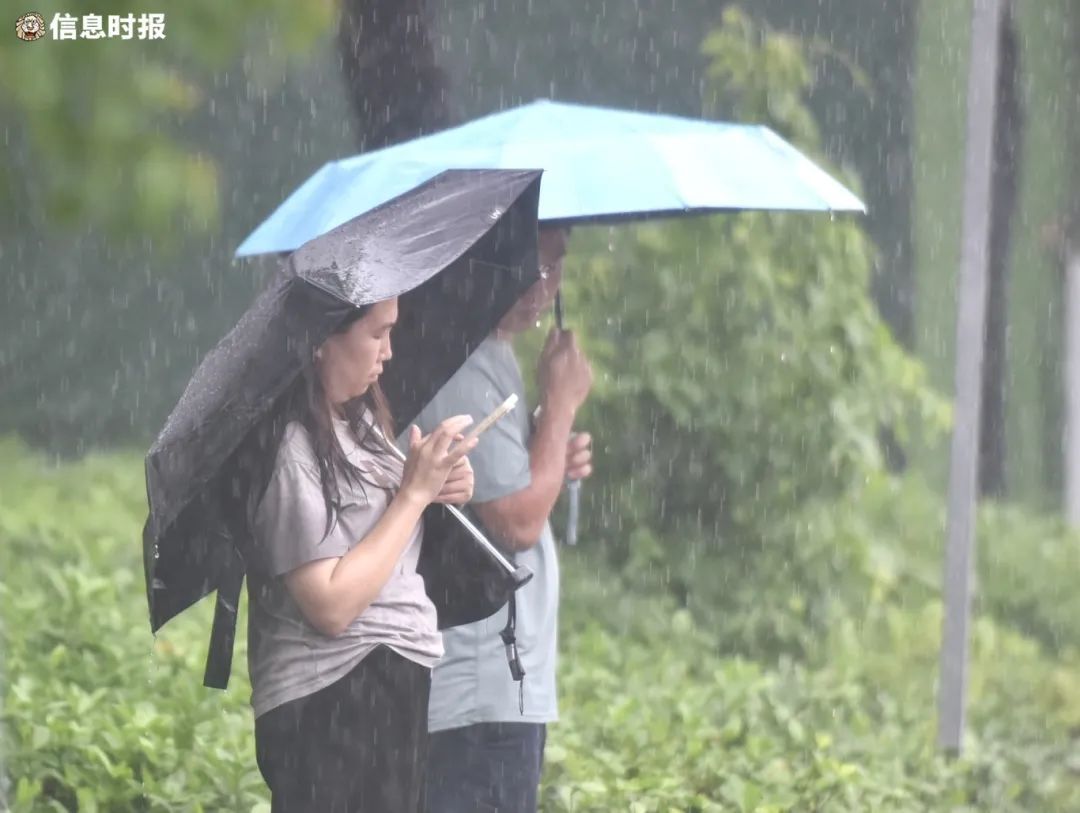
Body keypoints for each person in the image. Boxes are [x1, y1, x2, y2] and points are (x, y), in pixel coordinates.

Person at [230, 296, 480, 813]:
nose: (389, 352)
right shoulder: (291, 449)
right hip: (333, 699)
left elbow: (386, 539)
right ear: (321, 340)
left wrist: (437, 484)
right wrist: (411, 496)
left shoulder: (360, 427)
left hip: (389, 686)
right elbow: (330, 605)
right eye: (376, 334)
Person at [417, 228, 595, 812]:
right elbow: (515, 522)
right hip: (478, 688)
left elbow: (504, 488)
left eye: (554, 268)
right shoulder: (461, 362)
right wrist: (563, 407)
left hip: (498, 684)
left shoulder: (487, 351)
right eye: (527, 267)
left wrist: (547, 438)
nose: (541, 289)